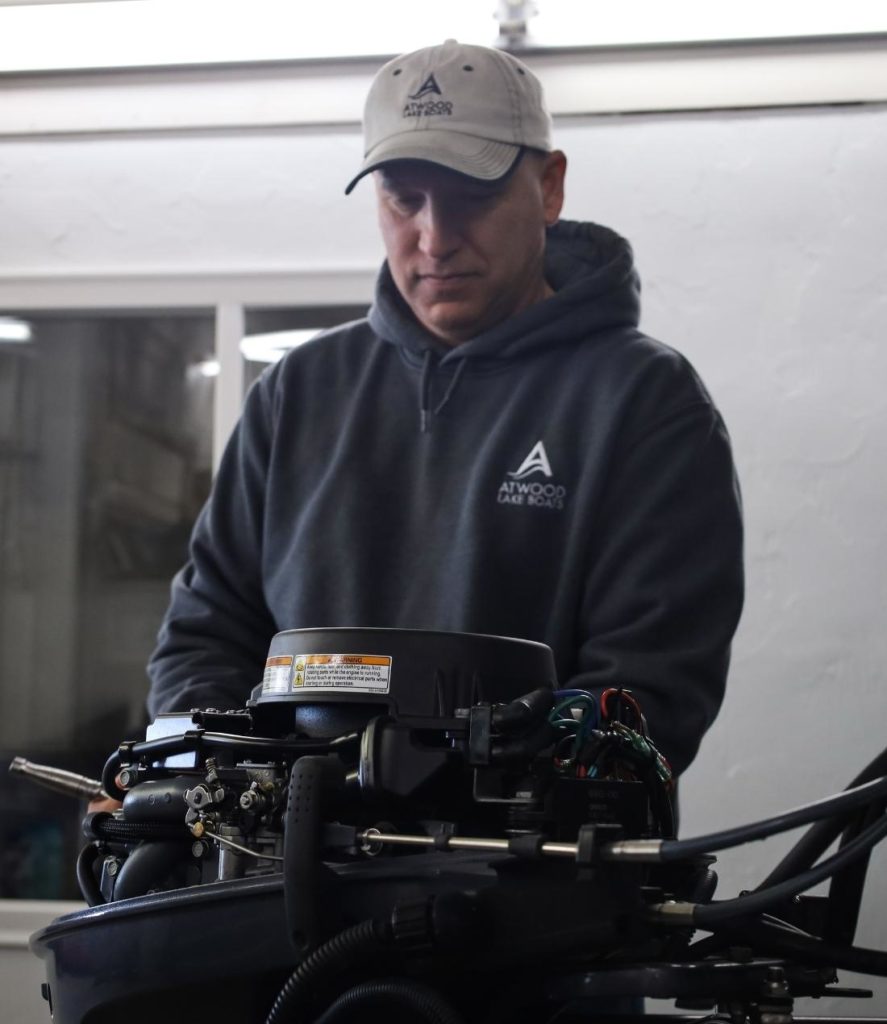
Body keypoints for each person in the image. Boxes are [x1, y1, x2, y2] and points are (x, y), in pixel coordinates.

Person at [146, 39, 743, 778]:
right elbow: (204, 633)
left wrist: (442, 796)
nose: (434, 238)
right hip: (287, 870)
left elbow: (645, 692)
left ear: (549, 188)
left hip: (528, 876)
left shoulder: (644, 402)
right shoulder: (295, 392)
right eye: (404, 199)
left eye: (472, 196)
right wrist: (239, 778)